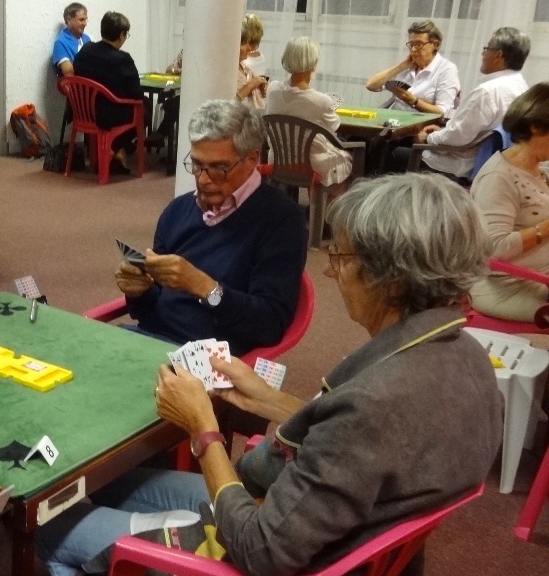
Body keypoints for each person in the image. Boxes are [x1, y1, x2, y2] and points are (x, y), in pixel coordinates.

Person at [37, 172, 501, 576]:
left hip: (259, 546)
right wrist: (267, 399)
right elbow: (362, 446)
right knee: (108, 481)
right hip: (324, 527)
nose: (331, 274)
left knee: (49, 524)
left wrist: (204, 429)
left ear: (391, 280)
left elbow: (260, 549)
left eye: (342, 259)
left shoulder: (375, 405)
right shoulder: (468, 360)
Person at [117, 99, 306, 357]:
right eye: (197, 164)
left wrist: (206, 288)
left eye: (219, 168)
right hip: (153, 343)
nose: (203, 179)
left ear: (252, 159)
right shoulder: (177, 211)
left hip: (211, 361)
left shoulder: (281, 220)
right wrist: (139, 291)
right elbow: (148, 312)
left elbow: (269, 325)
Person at [470, 82, 549, 324]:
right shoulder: (498, 177)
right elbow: (495, 248)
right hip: (508, 288)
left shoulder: (537, 169)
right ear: (536, 127)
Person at [410, 26, 530, 180]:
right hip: (493, 163)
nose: (483, 54)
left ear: (498, 55)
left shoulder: (487, 92)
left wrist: (428, 137)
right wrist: (442, 131)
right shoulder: (522, 86)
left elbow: (457, 137)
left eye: (487, 49)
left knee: (392, 154)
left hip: (460, 166)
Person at [266, 37, 352, 188]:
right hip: (312, 165)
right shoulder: (321, 101)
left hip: (278, 161)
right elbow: (334, 126)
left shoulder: (272, 89)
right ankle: (330, 202)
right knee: (348, 157)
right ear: (313, 63)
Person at [73, 11, 146, 174]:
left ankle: (117, 153)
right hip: (108, 115)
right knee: (144, 109)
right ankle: (113, 149)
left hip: (83, 111)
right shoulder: (123, 59)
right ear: (121, 35)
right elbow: (136, 93)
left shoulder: (86, 49)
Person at [365, 19, 460, 116]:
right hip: (394, 118)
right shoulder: (408, 66)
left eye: (419, 44)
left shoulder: (446, 69)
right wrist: (401, 66)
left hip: (422, 123)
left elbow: (443, 111)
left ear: (435, 44)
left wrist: (413, 101)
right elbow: (371, 85)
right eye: (411, 44)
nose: (413, 49)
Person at [236, 14, 267, 109]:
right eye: (244, 43)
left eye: (250, 43)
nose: (249, 48)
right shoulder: (229, 72)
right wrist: (250, 85)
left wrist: (262, 87)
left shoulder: (245, 68)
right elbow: (226, 105)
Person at [51, 2, 90, 77]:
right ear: (69, 20)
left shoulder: (87, 38)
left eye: (85, 20)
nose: (85, 24)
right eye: (81, 20)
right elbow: (69, 73)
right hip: (76, 83)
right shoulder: (60, 43)